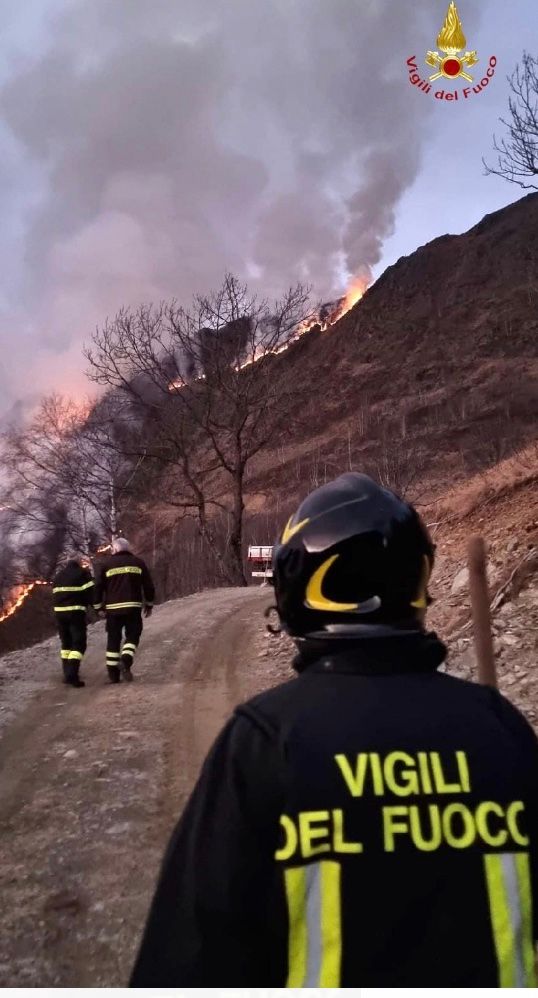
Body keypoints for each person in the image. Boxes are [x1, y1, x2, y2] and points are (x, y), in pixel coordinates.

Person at [130, 473, 538, 987]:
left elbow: (191, 955)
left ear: (298, 591)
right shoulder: (501, 728)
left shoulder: (264, 741)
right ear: (418, 580)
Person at [93, 537, 155, 683]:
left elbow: (98, 587)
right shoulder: (138, 563)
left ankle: (113, 676)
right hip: (133, 607)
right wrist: (149, 604)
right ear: (128, 549)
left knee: (113, 640)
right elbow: (148, 585)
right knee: (133, 635)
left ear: (114, 549)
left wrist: (98, 607)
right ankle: (126, 660)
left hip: (113, 610)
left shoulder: (106, 565)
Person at [52, 554, 94, 688]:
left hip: (59, 614)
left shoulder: (58, 576)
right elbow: (91, 594)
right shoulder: (82, 574)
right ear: (79, 562)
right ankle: (72, 674)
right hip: (75, 614)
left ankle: (66, 674)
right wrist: (98, 608)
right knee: (79, 644)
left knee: (66, 644)